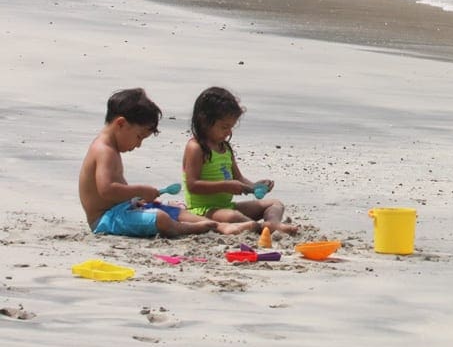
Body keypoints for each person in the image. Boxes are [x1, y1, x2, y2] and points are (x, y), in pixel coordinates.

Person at [79, 88, 258, 237]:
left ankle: (218, 226)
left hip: (120, 210)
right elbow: (107, 189)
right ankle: (189, 228)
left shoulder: (110, 148)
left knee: (174, 210)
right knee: (161, 217)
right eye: (139, 136)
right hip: (104, 219)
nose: (138, 144)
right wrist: (141, 190)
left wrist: (135, 199)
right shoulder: (104, 150)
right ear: (120, 124)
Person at [182, 86, 299, 235]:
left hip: (227, 205)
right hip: (203, 210)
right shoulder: (196, 147)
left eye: (231, 127)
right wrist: (225, 186)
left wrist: (255, 186)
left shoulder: (225, 147)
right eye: (224, 127)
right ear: (204, 121)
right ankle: (262, 227)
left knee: (275, 203)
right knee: (233, 217)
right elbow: (192, 185)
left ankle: (272, 223)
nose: (228, 132)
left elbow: (238, 178)